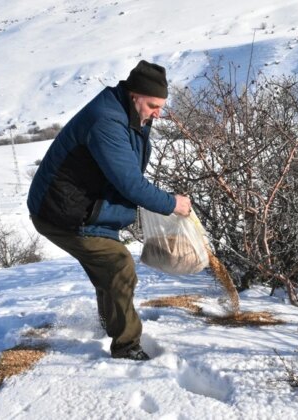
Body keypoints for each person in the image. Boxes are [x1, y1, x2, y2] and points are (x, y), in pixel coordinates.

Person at [27, 60, 192, 361]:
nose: (159, 113)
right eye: (154, 105)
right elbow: (130, 183)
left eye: (161, 106)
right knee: (117, 264)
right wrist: (171, 204)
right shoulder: (107, 121)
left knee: (110, 269)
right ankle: (127, 346)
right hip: (61, 214)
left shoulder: (130, 115)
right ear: (134, 95)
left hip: (83, 208)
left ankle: (110, 324)